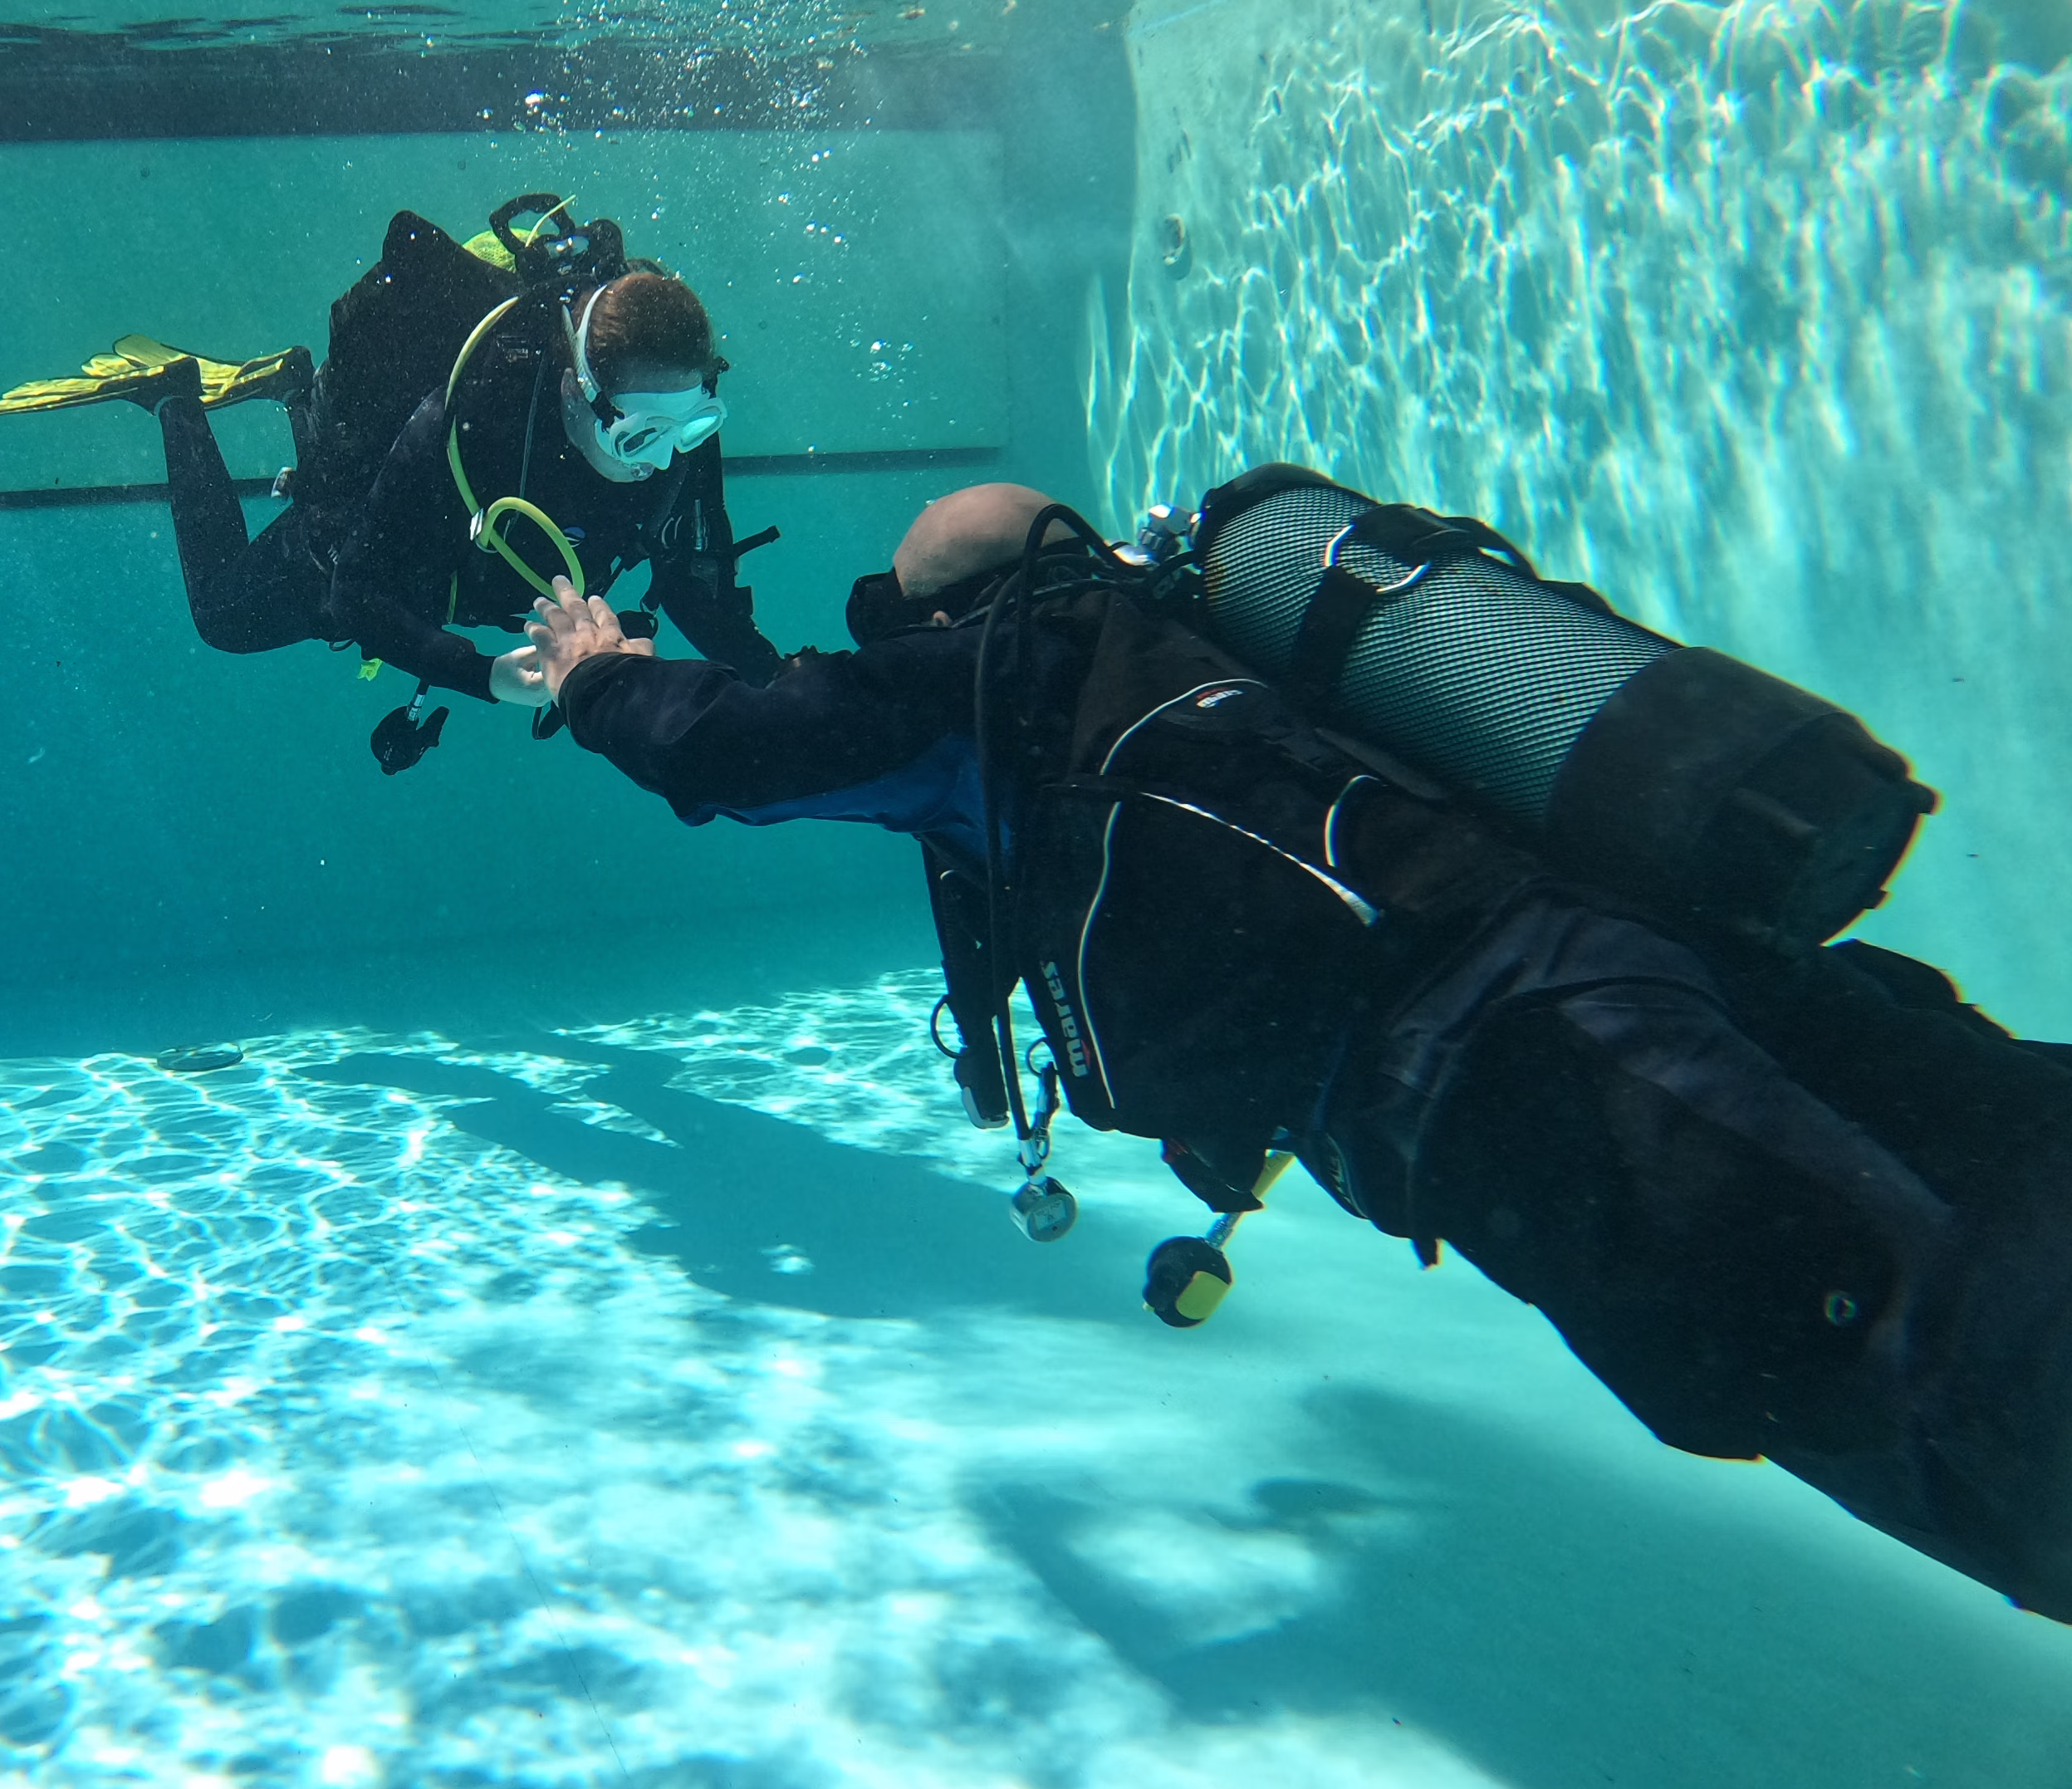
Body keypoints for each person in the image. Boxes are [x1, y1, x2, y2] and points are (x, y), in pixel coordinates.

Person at [521, 478, 2072, 1621]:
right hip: (1671, 950)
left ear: (939, 613)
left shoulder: (994, 678)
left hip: (1504, 1060)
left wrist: (596, 671)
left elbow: (730, 746)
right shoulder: (1233, 638)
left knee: (1903, 1356)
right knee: (2007, 1147)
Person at [0, 198, 784, 763]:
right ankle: (178, 401)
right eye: (642, 431)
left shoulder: (673, 429)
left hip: (479, 575)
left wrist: (779, 693)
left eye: (694, 427)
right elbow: (357, 593)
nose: (663, 455)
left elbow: (694, 576)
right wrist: (484, 674)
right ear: (576, 388)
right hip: (385, 538)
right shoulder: (467, 419)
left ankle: (299, 387)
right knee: (224, 616)